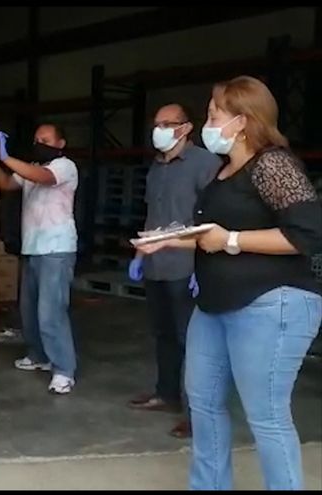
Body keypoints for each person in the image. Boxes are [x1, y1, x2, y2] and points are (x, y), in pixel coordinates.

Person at [138, 76, 322, 490]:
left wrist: (233, 241)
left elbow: (308, 236)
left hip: (270, 304)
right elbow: (214, 231)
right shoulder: (225, 171)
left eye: (213, 114)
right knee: (203, 404)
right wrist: (170, 239)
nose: (208, 122)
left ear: (241, 121)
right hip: (215, 305)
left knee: (267, 415)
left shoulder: (273, 164)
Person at [128, 104, 221, 439]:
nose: (160, 130)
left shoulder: (205, 164)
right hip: (156, 264)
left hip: (187, 267)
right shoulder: (157, 167)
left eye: (167, 124)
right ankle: (166, 394)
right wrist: (140, 254)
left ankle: (198, 414)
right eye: (157, 124)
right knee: (164, 335)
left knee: (193, 342)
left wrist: (203, 263)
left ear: (185, 128)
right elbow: (153, 215)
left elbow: (214, 218)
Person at [0, 124, 79, 394]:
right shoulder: (30, 168)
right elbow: (5, 184)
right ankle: (38, 356)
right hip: (33, 248)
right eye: (36, 138)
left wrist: (4, 157)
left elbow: (42, 177)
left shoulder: (64, 166)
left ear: (60, 143)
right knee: (29, 310)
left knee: (51, 312)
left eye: (46, 139)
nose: (39, 142)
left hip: (56, 249)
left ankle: (64, 370)